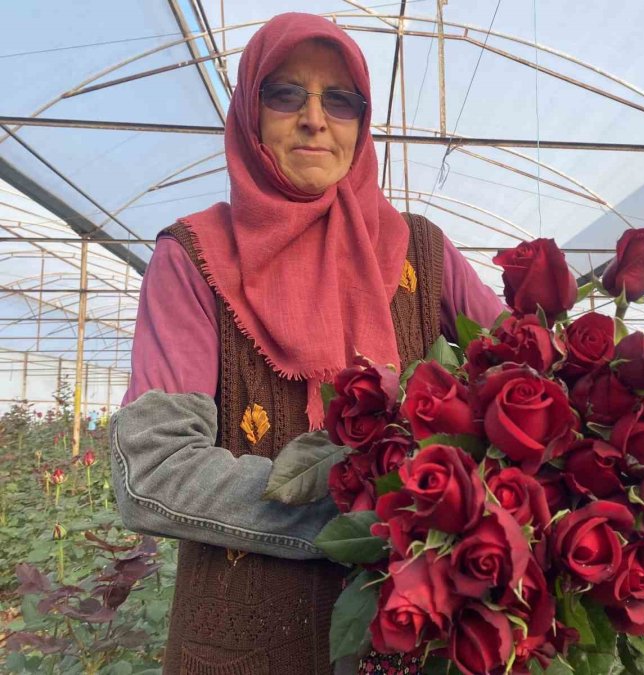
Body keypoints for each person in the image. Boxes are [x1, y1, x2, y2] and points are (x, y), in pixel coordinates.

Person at [109, 12, 503, 675]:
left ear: (362, 122)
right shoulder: (194, 258)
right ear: (249, 114)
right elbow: (152, 470)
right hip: (242, 646)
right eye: (286, 93)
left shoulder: (422, 253)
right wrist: (357, 509)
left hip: (404, 644)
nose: (315, 118)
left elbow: (528, 380)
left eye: (340, 99)